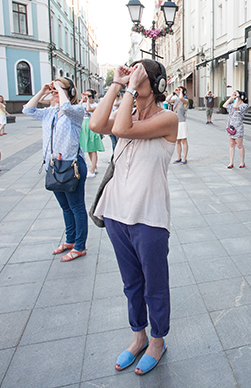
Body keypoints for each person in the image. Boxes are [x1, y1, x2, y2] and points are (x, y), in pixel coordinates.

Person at [89, 60, 178, 375]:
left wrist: (129, 87)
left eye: (139, 73)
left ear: (157, 84)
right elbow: (96, 125)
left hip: (149, 216)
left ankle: (157, 340)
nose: (132, 75)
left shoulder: (168, 118)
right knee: (131, 283)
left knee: (155, 284)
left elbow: (122, 129)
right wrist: (116, 84)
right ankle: (138, 336)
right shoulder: (125, 111)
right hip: (116, 213)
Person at [23, 77, 88, 262]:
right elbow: (27, 109)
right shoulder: (49, 112)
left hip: (71, 166)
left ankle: (80, 246)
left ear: (70, 92)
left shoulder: (76, 111)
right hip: (53, 166)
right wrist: (43, 91)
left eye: (58, 89)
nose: (54, 92)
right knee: (65, 207)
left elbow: (67, 107)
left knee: (76, 207)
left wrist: (60, 89)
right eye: (53, 90)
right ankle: (70, 240)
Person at [80, 89, 105, 178]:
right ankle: (95, 166)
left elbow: (88, 109)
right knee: (89, 150)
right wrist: (82, 100)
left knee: (93, 148)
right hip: (84, 127)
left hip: (92, 126)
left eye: (89, 95)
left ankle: (92, 169)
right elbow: (76, 110)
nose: (87, 97)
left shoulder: (96, 105)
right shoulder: (82, 103)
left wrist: (88, 101)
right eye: (85, 94)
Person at [223, 90, 250, 168]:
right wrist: (231, 98)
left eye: (237, 95)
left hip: (238, 128)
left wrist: (238, 97)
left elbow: (235, 107)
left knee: (239, 145)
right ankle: (231, 162)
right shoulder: (233, 104)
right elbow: (225, 105)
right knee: (231, 145)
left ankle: (242, 162)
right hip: (230, 127)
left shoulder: (244, 105)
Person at [167, 86, 189, 164]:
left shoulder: (185, 101)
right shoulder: (175, 100)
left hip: (182, 123)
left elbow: (181, 99)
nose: (178, 92)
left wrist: (181, 92)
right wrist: (173, 92)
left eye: (180, 90)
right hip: (176, 123)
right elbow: (167, 100)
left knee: (183, 141)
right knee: (177, 141)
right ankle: (179, 157)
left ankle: (184, 158)